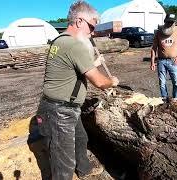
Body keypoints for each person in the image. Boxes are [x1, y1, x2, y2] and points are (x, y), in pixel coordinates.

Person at [35, 1, 119, 179]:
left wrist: (93, 64)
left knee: (81, 138)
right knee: (63, 166)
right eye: (91, 26)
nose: (92, 32)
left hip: (62, 107)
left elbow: (71, 68)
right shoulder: (75, 45)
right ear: (79, 21)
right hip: (60, 111)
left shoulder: (59, 40)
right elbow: (99, 81)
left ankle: (84, 169)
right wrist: (111, 81)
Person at [150, 13, 177, 102]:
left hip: (173, 61)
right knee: (162, 83)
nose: (170, 23)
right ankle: (164, 99)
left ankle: (175, 100)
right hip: (161, 61)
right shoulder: (159, 32)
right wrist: (152, 62)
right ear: (165, 21)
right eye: (168, 22)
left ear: (174, 22)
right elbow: (154, 48)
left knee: (176, 82)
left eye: (172, 22)